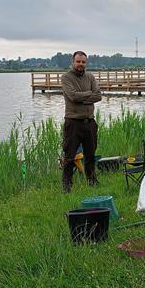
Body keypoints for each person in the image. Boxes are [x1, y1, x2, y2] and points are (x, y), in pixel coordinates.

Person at [61, 51, 102, 193]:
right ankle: (67, 187)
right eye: (78, 61)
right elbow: (72, 96)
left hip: (89, 122)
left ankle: (92, 181)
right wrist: (88, 94)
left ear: (86, 63)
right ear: (73, 62)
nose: (81, 64)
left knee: (90, 155)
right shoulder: (66, 77)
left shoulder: (90, 77)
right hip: (73, 123)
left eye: (83, 62)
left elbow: (98, 96)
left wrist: (82, 97)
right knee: (69, 156)